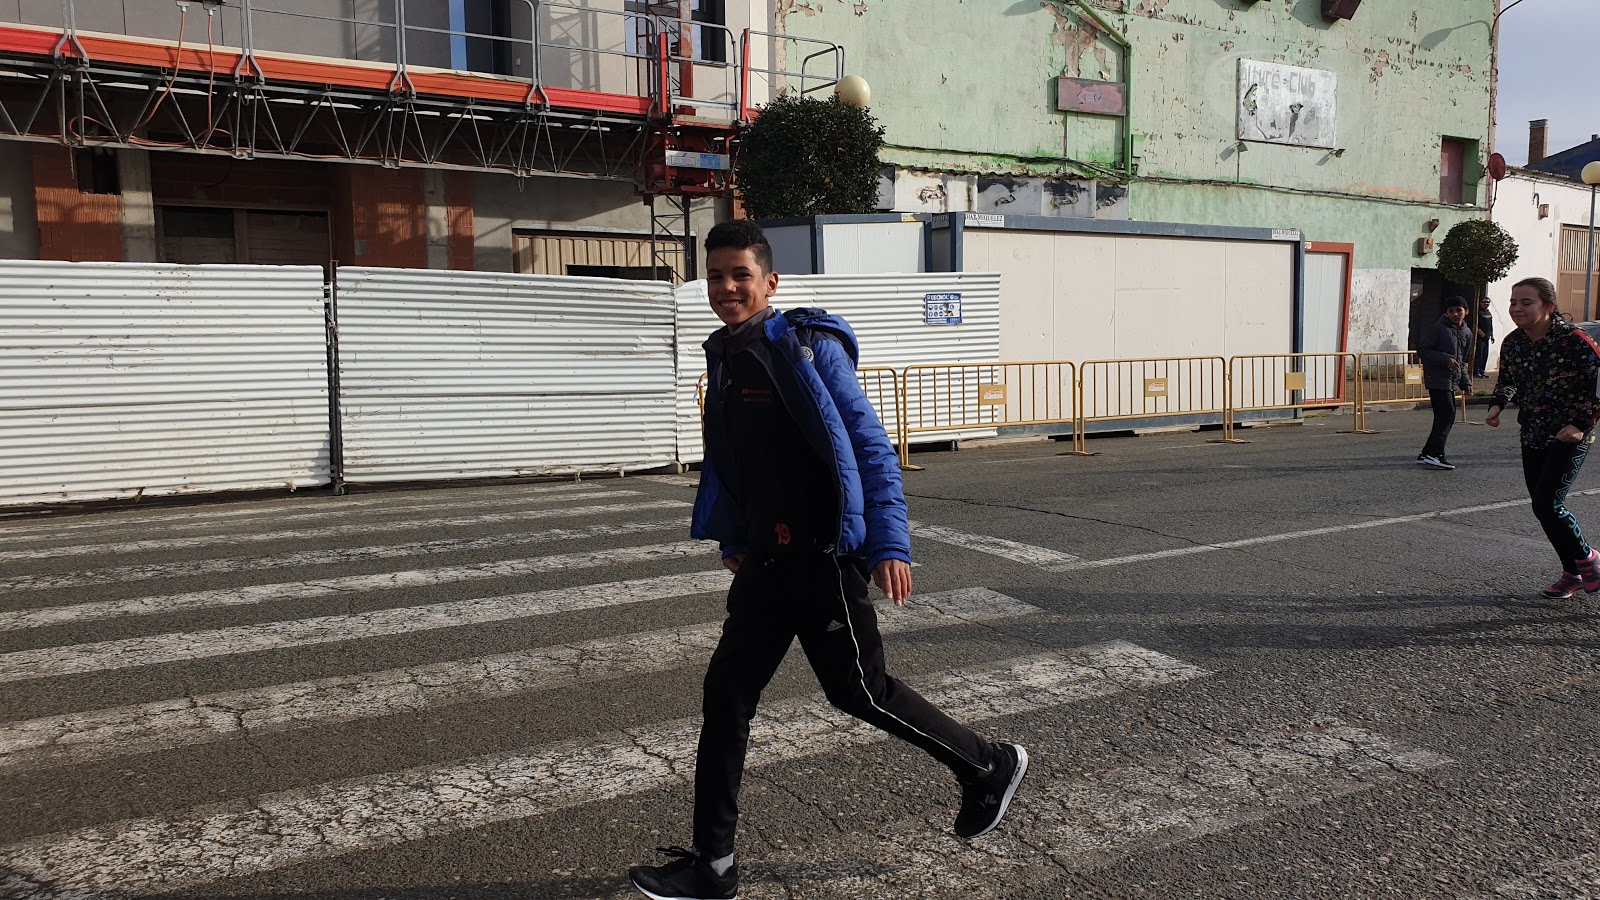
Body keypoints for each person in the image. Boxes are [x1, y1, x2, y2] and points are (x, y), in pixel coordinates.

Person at [627, 220, 1029, 900]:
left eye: (740, 275)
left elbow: (868, 446)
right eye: (716, 276)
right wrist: (734, 538)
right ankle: (713, 865)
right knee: (726, 697)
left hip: (821, 556)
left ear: (769, 282)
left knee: (860, 691)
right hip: (766, 560)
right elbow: (738, 462)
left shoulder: (809, 349)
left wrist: (889, 543)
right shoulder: (725, 356)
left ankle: (987, 765)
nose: (727, 288)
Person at [1486, 276, 1600, 599]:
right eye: (1513, 302)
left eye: (1526, 302)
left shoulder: (1575, 342)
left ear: (1548, 307)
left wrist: (1580, 424)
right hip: (1533, 433)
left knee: (1548, 502)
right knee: (1542, 507)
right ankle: (1572, 572)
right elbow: (1507, 380)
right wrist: (1497, 404)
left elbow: (1598, 387)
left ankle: (1589, 558)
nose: (1516, 309)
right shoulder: (1513, 343)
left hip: (1570, 436)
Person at [1416, 297, 1473, 470]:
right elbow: (1423, 350)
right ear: (1446, 313)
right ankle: (1436, 454)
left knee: (1444, 416)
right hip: (1437, 378)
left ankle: (1427, 453)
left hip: (1452, 379)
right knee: (1447, 414)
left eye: (1458, 310)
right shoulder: (1438, 328)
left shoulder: (1467, 332)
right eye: (1451, 311)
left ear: (1466, 312)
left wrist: (1465, 381)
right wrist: (1445, 359)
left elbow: (1462, 360)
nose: (1455, 314)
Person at [1474, 294, 1495, 379]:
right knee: (1479, 355)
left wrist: (1492, 335)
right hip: (1480, 338)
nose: (1486, 304)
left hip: (1487, 337)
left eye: (1488, 302)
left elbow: (1490, 325)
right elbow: (1475, 325)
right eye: (1484, 302)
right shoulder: (1479, 313)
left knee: (1485, 355)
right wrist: (1480, 333)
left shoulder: (1489, 313)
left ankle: (1482, 371)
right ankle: (1476, 372)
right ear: (1480, 303)